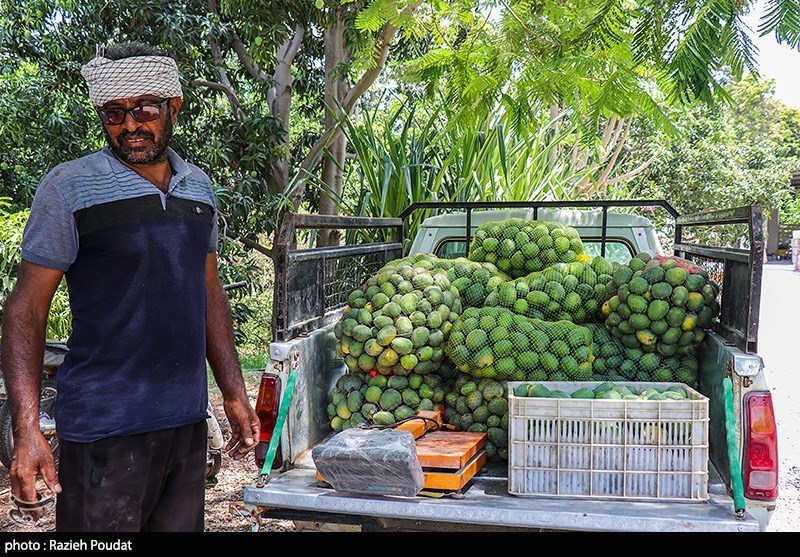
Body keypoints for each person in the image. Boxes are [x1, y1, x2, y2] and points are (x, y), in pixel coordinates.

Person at [0, 41, 260, 532]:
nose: (131, 126)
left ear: (174, 108)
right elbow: (26, 310)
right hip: (103, 429)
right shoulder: (68, 187)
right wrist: (27, 429)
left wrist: (233, 392)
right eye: (115, 113)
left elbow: (209, 291)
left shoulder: (198, 188)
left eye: (145, 109)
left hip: (185, 422)